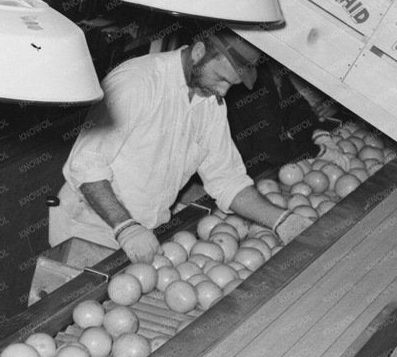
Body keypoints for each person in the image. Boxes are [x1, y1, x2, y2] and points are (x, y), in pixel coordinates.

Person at [49, 27, 294, 261]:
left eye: (231, 84)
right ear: (198, 53)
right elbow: (85, 165)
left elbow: (227, 180)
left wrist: (281, 220)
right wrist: (126, 227)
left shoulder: (209, 104)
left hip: (145, 234)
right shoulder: (138, 81)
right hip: (89, 227)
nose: (223, 91)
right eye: (221, 79)